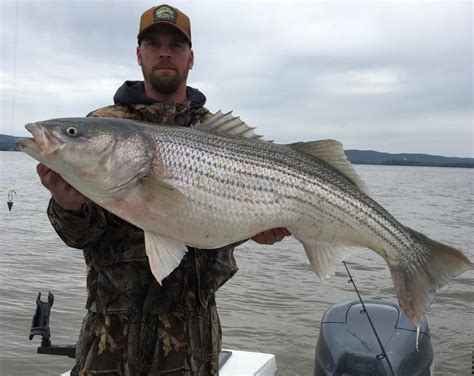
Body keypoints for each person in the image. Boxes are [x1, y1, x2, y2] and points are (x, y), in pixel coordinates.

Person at [36, 4, 290, 375]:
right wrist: (66, 205)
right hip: (109, 331)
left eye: (176, 45)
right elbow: (81, 235)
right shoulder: (103, 126)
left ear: (191, 58)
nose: (165, 52)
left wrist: (256, 229)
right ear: (139, 54)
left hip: (191, 337)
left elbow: (220, 219)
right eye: (153, 43)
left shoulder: (215, 132)